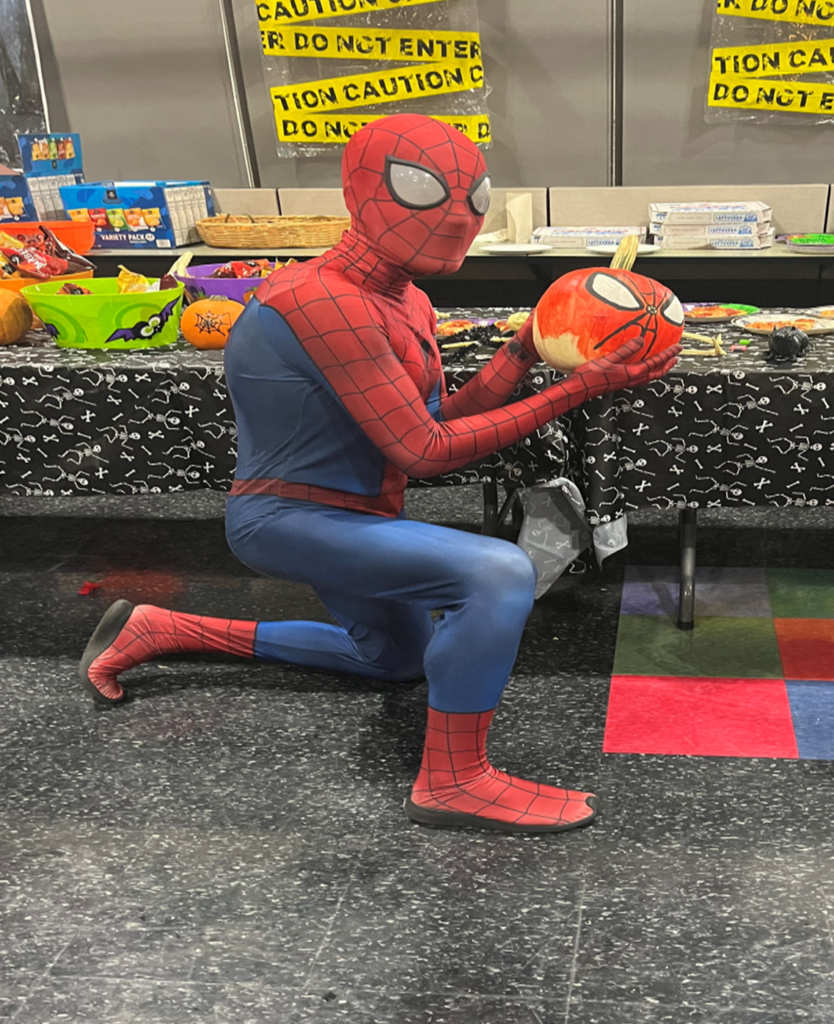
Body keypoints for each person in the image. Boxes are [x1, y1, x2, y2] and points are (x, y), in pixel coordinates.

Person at [79, 114, 678, 834]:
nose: (459, 216)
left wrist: (523, 354)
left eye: (476, 196)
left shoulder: (405, 299)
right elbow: (423, 452)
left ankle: (163, 628)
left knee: (398, 659)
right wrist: (575, 389)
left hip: (356, 517)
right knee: (497, 573)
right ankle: (455, 781)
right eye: (425, 190)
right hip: (290, 521)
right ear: (360, 193)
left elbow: (437, 420)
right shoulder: (320, 300)